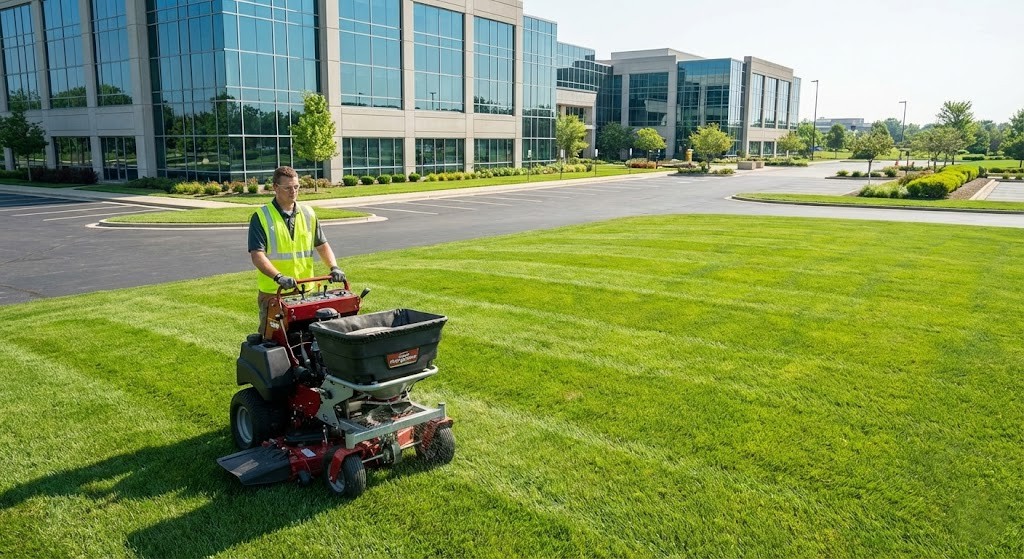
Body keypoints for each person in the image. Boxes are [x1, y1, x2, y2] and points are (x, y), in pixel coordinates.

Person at [248, 166, 345, 338]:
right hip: (274, 293)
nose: (293, 191)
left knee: (307, 338)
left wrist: (334, 267)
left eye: (296, 187)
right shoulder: (261, 216)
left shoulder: (308, 214)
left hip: (304, 290)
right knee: (273, 340)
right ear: (275, 187)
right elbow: (257, 255)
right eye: (288, 188)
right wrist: (278, 277)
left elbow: (322, 245)